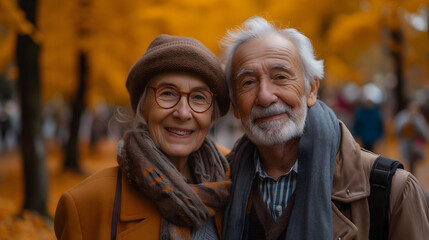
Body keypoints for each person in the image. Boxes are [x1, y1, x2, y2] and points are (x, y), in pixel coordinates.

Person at [220, 16, 429, 240]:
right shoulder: (218, 184)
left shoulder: (392, 191)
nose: (265, 96)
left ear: (311, 89)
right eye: (248, 82)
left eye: (280, 77)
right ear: (234, 106)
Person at [54, 34, 231, 240]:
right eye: (167, 93)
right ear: (143, 106)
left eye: (199, 97)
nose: (183, 113)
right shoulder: (86, 205)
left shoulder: (239, 187)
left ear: (212, 114)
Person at [394, 100, 429, 174]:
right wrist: (409, 121)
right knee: (408, 162)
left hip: (417, 144)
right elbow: (397, 131)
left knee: (414, 163)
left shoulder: (419, 117)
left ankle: (413, 176)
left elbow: (424, 131)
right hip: (406, 143)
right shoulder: (402, 116)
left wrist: (415, 122)